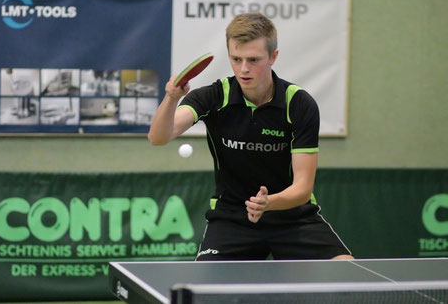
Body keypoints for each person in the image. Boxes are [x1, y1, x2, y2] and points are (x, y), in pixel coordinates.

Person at [148, 13, 353, 261]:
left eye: (254, 60)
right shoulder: (213, 97)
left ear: (273, 57)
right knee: (204, 294)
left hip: (293, 215)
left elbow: (303, 187)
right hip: (232, 218)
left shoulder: (298, 104)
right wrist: (171, 97)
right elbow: (159, 137)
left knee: (344, 270)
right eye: (237, 59)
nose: (244, 69)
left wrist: (269, 203)